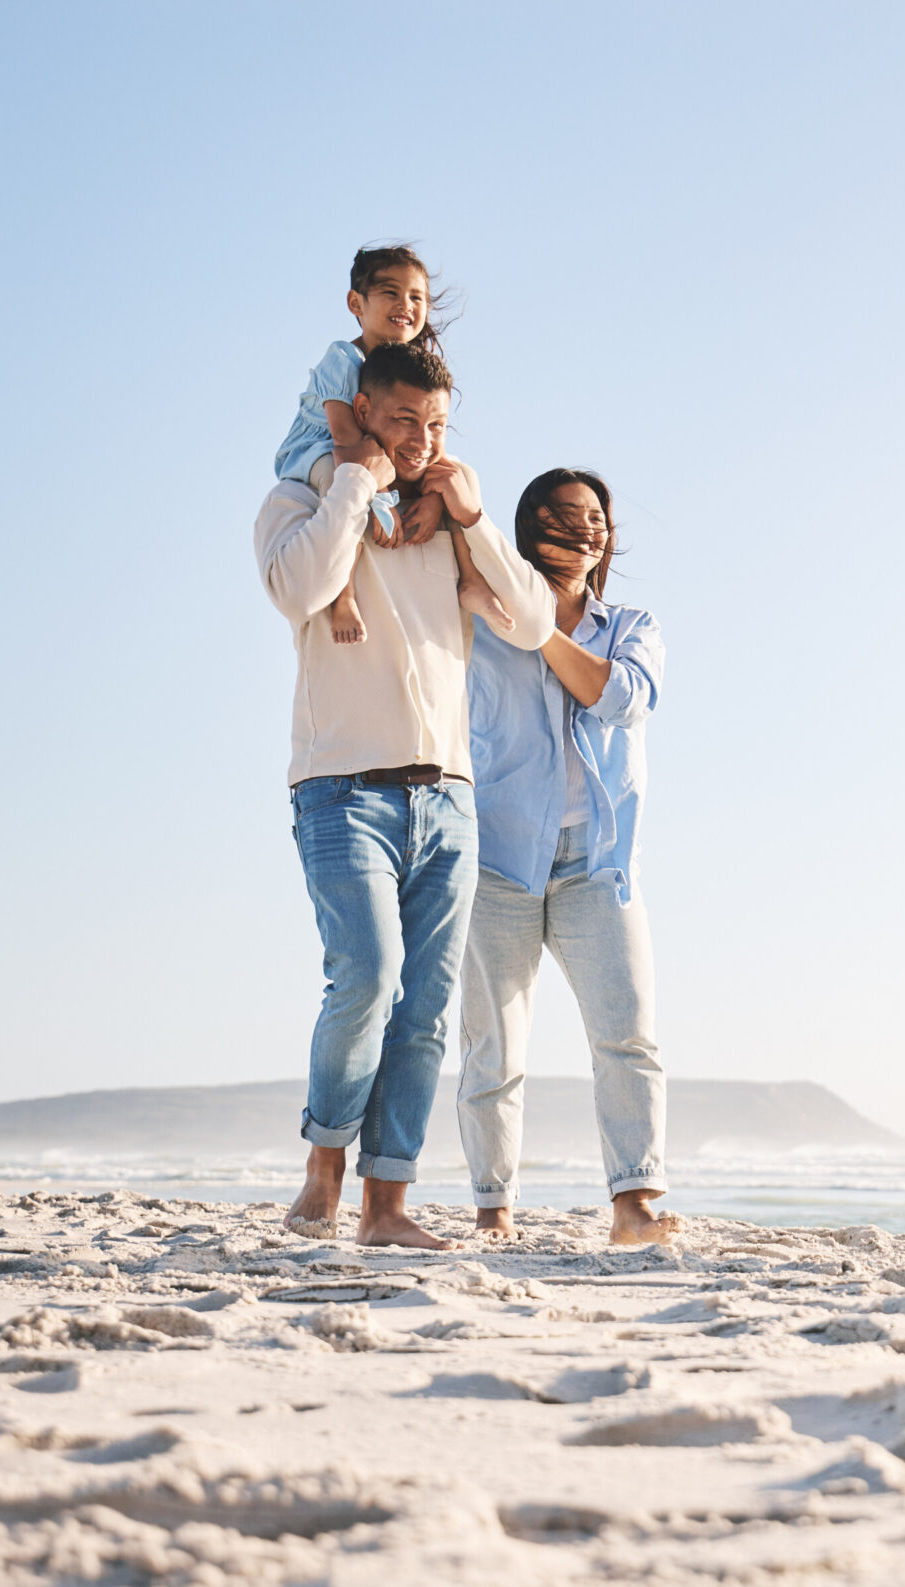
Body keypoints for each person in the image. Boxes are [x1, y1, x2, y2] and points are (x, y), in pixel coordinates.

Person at [254, 340, 557, 1249]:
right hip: (342, 791)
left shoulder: (444, 525)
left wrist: (474, 516)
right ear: (360, 409)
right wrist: (356, 478)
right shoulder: (298, 503)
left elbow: (534, 621)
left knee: (425, 1009)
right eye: (401, 422)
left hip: (448, 803)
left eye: (434, 426)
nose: (420, 441)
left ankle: (387, 1207)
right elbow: (298, 588)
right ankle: (324, 1170)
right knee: (367, 979)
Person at [454, 470, 678, 1246]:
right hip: (499, 857)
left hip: (599, 864)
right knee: (494, 1045)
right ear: (529, 528)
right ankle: (493, 1210)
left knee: (629, 1035)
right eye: (562, 518)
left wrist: (534, 627)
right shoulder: (473, 615)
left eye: (595, 520)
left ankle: (635, 1207)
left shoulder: (630, 625)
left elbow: (620, 699)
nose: (583, 532)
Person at [272, 244, 510, 644]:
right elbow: (348, 444)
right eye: (390, 292)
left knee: (455, 476)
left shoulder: (411, 369)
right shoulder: (343, 359)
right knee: (340, 478)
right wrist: (382, 502)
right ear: (356, 303)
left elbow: (430, 448)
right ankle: (343, 595)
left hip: (369, 456)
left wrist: (434, 499)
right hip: (319, 451)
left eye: (417, 296)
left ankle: (471, 581)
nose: (406, 304)